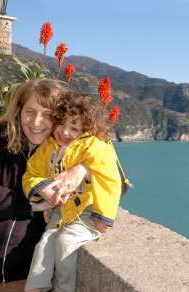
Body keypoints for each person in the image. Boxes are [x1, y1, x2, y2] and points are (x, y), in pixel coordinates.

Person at [0, 79, 89, 292]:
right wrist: (35, 203)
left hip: (24, 275)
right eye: (30, 112)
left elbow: (117, 178)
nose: (36, 122)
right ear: (19, 111)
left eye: (48, 114)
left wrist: (82, 170)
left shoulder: (70, 148)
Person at [22, 91, 123, 292]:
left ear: (86, 129)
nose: (65, 132)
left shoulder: (94, 146)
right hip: (59, 212)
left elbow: (110, 179)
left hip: (86, 211)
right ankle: (35, 289)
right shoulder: (48, 147)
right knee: (43, 247)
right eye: (61, 124)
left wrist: (103, 216)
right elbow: (31, 173)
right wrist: (43, 189)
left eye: (74, 128)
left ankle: (63, 289)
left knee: (66, 243)